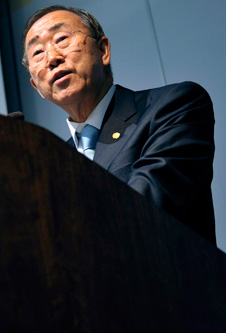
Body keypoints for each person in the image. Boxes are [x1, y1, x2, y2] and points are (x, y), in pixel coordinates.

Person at [21, 5, 215, 243]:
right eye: (38, 53)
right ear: (35, 86)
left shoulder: (174, 105)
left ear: (103, 50)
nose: (52, 58)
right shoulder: (52, 163)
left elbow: (145, 207)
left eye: (62, 39)